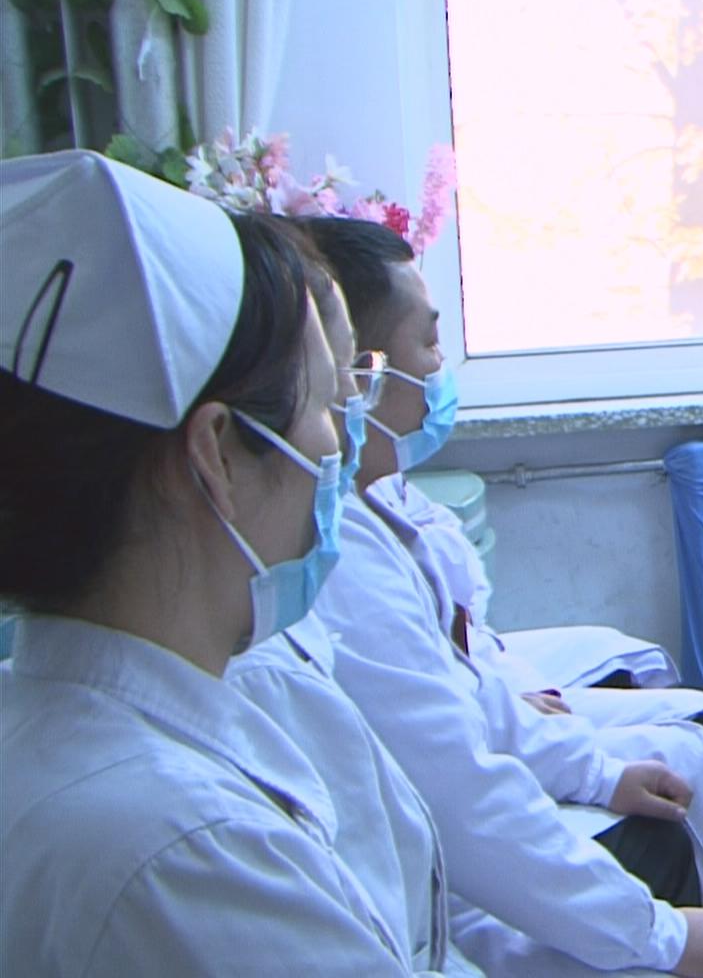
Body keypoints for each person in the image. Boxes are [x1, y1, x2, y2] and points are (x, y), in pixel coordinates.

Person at [0, 151, 438, 973]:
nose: (340, 446)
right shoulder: (190, 853)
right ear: (218, 456)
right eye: (324, 404)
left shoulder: (44, 721)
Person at [290, 218, 703, 978]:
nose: (350, 400)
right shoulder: (339, 556)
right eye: (337, 381)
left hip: (450, 834)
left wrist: (595, 773)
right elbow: (461, 787)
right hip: (432, 895)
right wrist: (662, 937)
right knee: (669, 821)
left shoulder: (362, 517)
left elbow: (459, 687)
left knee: (689, 741)